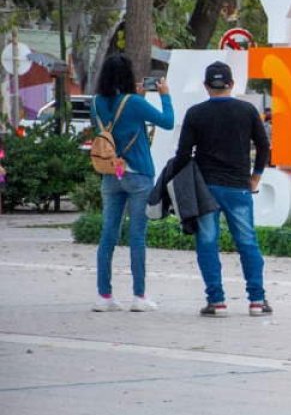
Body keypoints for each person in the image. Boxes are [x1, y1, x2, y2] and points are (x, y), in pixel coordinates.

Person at [173, 61, 272, 317]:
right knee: (247, 242)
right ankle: (257, 301)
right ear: (231, 84)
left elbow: (183, 154)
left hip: (206, 189)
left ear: (207, 86)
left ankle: (216, 302)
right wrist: (256, 177)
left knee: (207, 242)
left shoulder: (195, 114)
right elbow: (264, 146)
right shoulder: (247, 111)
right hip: (239, 187)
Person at [91, 53, 174, 312]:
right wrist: (164, 95)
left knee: (108, 235)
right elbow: (168, 122)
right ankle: (139, 296)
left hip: (110, 174)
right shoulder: (135, 103)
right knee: (137, 234)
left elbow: (108, 132)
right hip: (138, 175)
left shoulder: (96, 103)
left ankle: (104, 296)